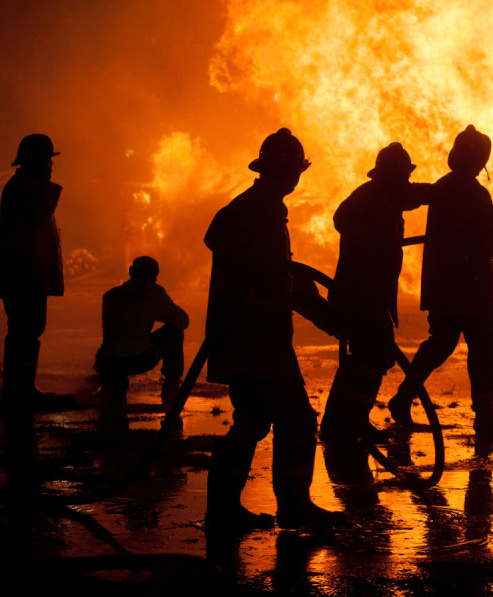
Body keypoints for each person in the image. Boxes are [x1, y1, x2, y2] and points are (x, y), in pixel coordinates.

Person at [203, 128, 344, 533]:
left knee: (256, 421)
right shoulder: (249, 209)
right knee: (291, 420)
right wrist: (262, 273)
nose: (295, 178)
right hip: (250, 339)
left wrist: (326, 315)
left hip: (263, 341)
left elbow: (283, 275)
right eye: (292, 169)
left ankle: (231, 510)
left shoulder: (269, 208)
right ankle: (287, 508)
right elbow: (221, 237)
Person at [388, 125, 493, 437]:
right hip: (472, 288)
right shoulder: (476, 193)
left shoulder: (444, 187)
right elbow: (488, 243)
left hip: (444, 286)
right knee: (483, 350)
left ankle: (402, 397)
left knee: (440, 344)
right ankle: (484, 418)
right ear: (481, 160)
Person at [318, 142, 433, 444]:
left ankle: (341, 422)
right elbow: (340, 219)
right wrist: (368, 236)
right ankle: (350, 421)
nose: (407, 181)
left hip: (371, 295)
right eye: (403, 176)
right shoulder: (370, 198)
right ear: (391, 176)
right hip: (359, 295)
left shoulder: (388, 197)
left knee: (368, 355)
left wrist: (449, 192)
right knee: (376, 353)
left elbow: (418, 195)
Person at [0, 134, 64, 403]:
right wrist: (47, 188)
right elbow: (38, 218)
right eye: (47, 160)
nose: (50, 166)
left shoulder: (26, 186)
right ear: (35, 160)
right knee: (24, 329)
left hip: (28, 274)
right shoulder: (23, 188)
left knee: (28, 329)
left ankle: (20, 387)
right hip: (23, 275)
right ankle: (17, 389)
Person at [93, 256, 189, 408]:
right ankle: (171, 385)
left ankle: (108, 385)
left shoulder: (110, 295)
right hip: (137, 360)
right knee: (176, 331)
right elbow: (183, 321)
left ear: (131, 271)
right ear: (155, 278)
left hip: (106, 362)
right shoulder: (154, 293)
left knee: (116, 340)